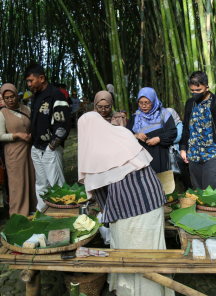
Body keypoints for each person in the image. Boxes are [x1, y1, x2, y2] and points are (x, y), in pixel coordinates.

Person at [78, 112, 174, 296]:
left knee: (129, 252)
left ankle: (136, 292)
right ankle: (156, 290)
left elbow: (100, 192)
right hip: (152, 198)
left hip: (128, 207)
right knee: (151, 249)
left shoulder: (94, 150)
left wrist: (107, 216)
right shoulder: (123, 133)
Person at [25, 63, 71, 212]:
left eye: (31, 80)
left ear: (42, 78)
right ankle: (42, 212)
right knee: (41, 183)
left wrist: (52, 146)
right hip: (37, 147)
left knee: (55, 183)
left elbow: (62, 124)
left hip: (50, 147)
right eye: (28, 81)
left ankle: (62, 213)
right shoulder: (36, 96)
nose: (29, 84)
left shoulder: (56, 94)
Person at [180, 71, 216, 190]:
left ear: (207, 87)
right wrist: (183, 148)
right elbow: (186, 127)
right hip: (193, 154)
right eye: (192, 90)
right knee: (198, 192)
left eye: (198, 90)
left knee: (211, 192)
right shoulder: (190, 103)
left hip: (212, 154)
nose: (195, 93)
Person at [0, 83, 37, 216]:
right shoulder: (2, 114)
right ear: (3, 98)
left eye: (12, 96)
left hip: (29, 150)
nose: (10, 100)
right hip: (13, 152)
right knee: (17, 183)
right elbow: (0, 135)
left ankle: (33, 208)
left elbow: (33, 124)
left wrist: (32, 134)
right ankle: (18, 213)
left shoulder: (26, 108)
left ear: (16, 95)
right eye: (7, 98)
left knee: (31, 178)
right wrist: (17, 135)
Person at [126, 87, 177, 174]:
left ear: (153, 101)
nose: (143, 106)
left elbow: (173, 132)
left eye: (147, 103)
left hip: (161, 156)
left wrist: (159, 139)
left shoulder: (164, 114)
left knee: (162, 182)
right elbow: (126, 135)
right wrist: (136, 136)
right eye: (140, 103)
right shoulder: (135, 117)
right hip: (142, 158)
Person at [166, 108, 193, 191]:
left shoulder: (179, 125)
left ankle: (189, 189)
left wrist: (163, 139)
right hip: (167, 153)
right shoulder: (164, 125)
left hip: (178, 152)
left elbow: (177, 138)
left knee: (182, 171)